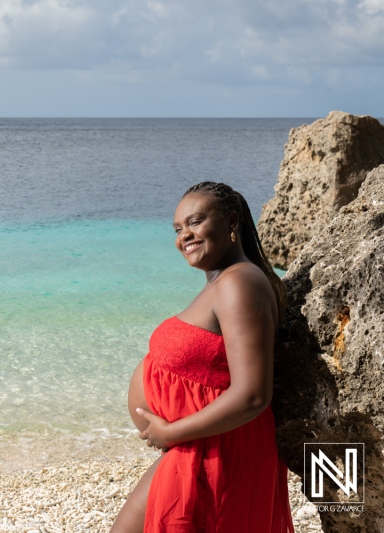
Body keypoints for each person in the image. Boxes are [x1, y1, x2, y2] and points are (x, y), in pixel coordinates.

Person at [110, 181, 295, 532]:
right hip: (199, 447)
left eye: (195, 222)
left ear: (231, 221)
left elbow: (252, 395)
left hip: (217, 452)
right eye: (178, 229)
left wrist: (172, 433)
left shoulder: (238, 284)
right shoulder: (222, 282)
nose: (185, 236)